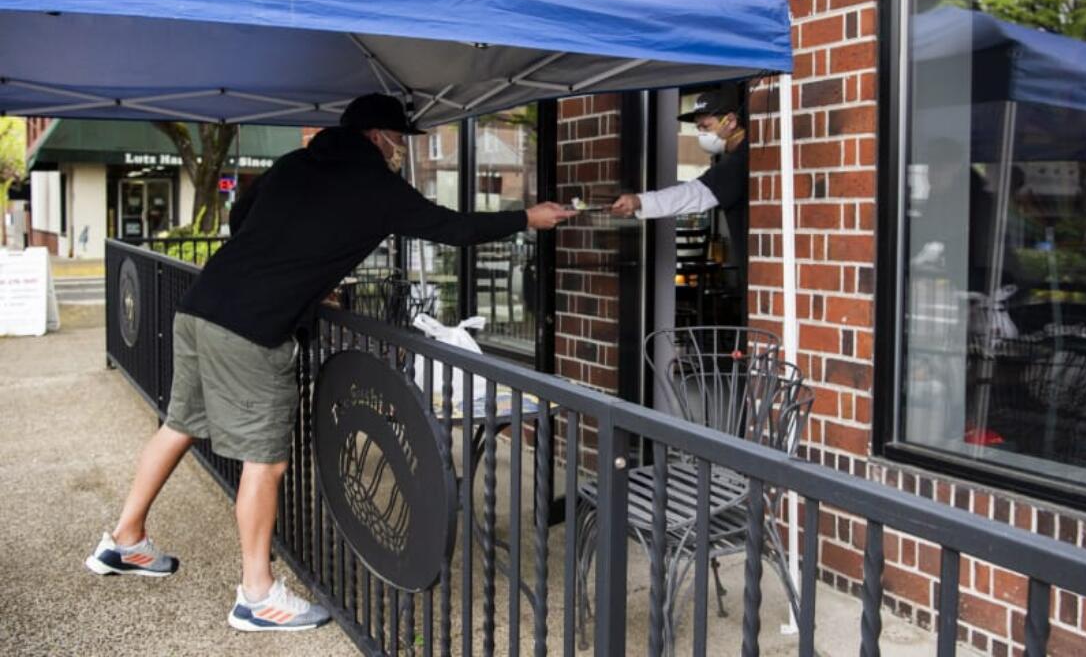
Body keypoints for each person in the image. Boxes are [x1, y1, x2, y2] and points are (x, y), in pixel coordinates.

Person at [84, 93, 576, 632]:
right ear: (375, 136)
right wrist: (528, 216)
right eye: (396, 142)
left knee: (179, 424)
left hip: (202, 305)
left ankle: (126, 538)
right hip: (251, 329)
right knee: (265, 461)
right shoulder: (377, 187)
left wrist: (291, 273)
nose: (398, 152)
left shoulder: (296, 163)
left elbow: (240, 214)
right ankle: (257, 594)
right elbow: (454, 228)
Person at [610, 83, 749, 287]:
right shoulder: (738, 157)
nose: (701, 134)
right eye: (698, 127)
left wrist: (639, 201)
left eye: (706, 126)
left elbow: (694, 195)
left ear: (730, 121)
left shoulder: (740, 161)